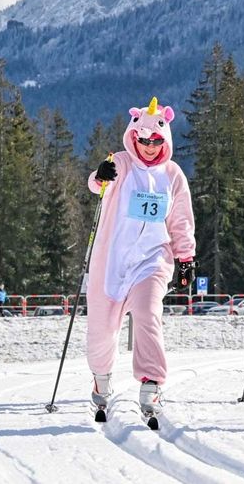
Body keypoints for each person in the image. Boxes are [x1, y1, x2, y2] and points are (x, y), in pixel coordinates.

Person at [85, 97, 196, 418]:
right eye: (144, 140)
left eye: (156, 140)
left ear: (165, 140)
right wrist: (100, 175)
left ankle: (151, 380)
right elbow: (97, 184)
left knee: (148, 314)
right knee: (103, 328)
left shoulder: (173, 175)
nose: (149, 146)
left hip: (152, 261)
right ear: (134, 137)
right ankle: (101, 378)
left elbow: (181, 220)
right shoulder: (120, 163)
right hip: (113, 261)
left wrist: (186, 257)